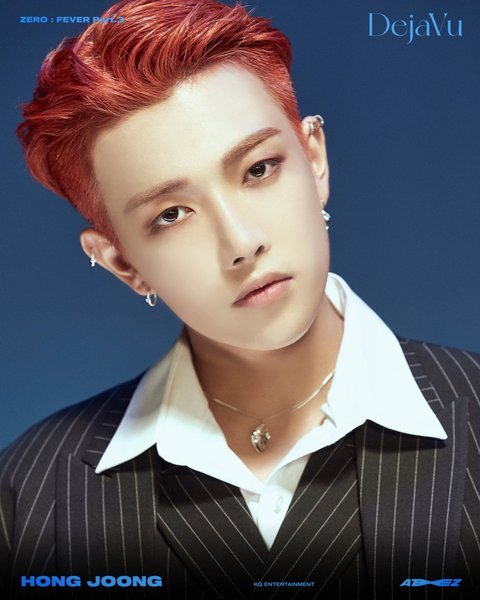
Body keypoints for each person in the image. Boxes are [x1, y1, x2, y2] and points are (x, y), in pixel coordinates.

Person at [1, 0, 479, 598]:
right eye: (171, 214)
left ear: (314, 159)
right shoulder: (28, 497)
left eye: (258, 169)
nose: (242, 242)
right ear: (122, 261)